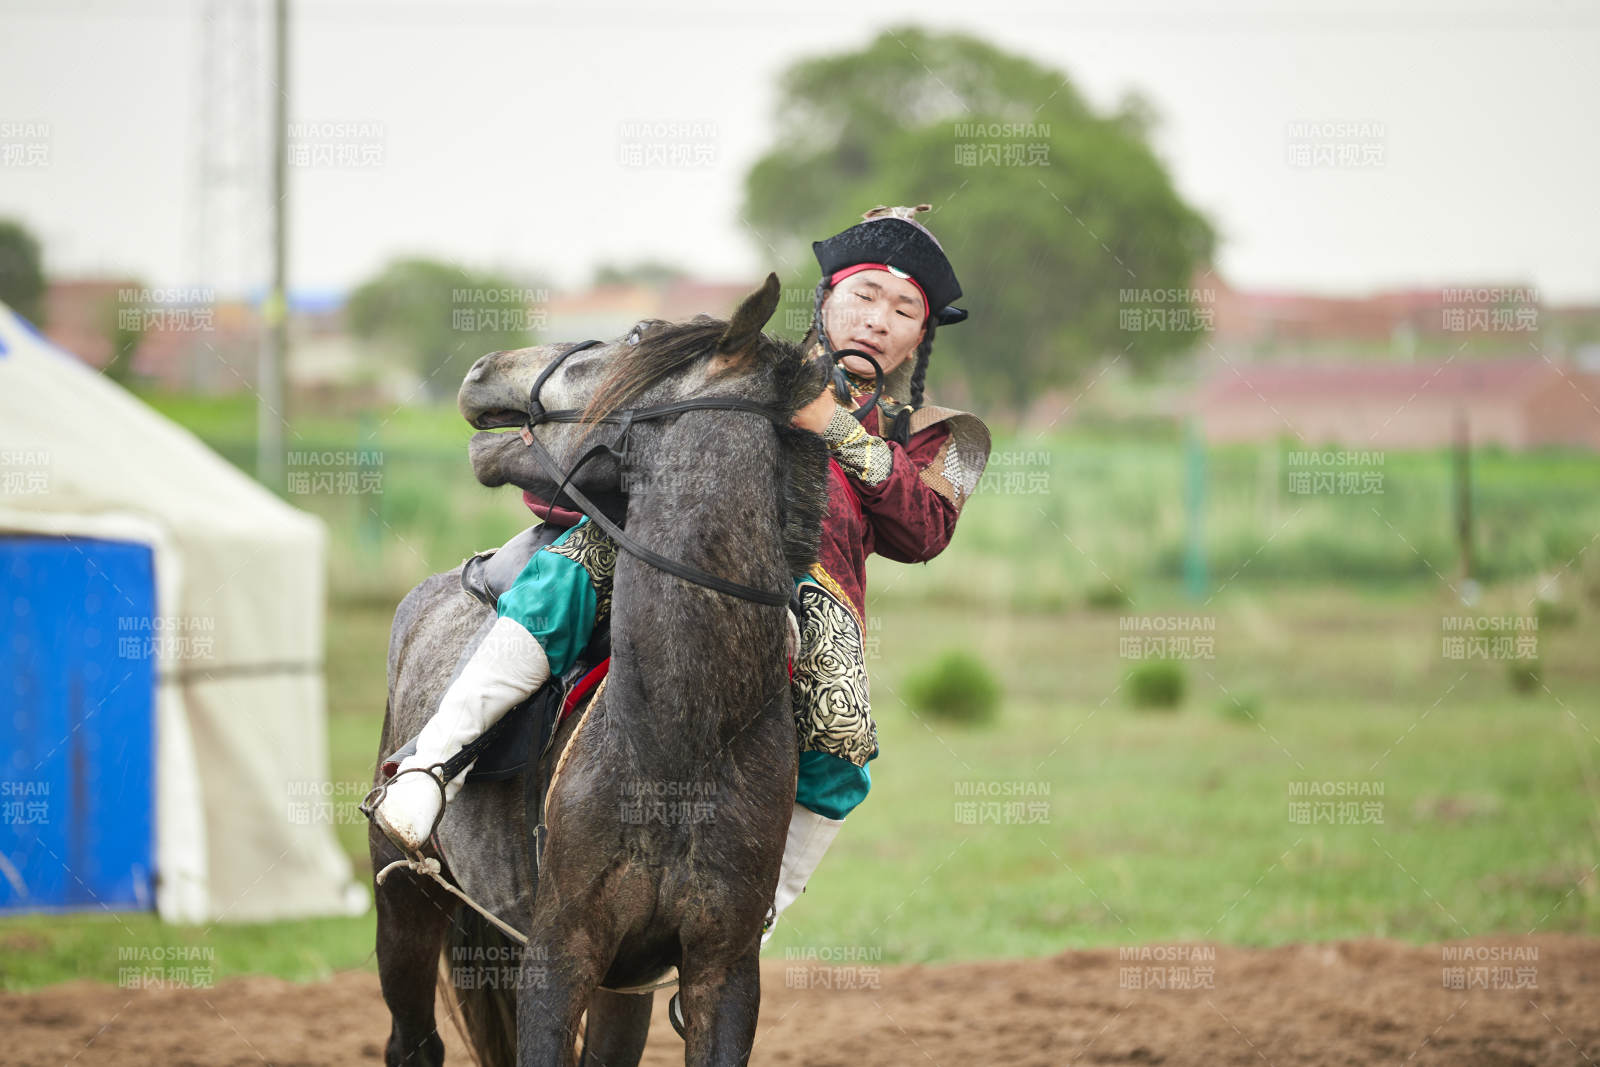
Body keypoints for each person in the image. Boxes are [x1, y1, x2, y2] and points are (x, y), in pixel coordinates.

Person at [370, 203, 989, 960]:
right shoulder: (741, 364)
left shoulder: (950, 434)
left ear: (921, 335)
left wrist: (830, 421)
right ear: (825, 299)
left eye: (904, 310)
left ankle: (758, 910)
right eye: (864, 296)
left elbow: (923, 527)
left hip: (812, 591)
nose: (878, 321)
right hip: (671, 549)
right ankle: (431, 764)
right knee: (562, 577)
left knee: (844, 726)